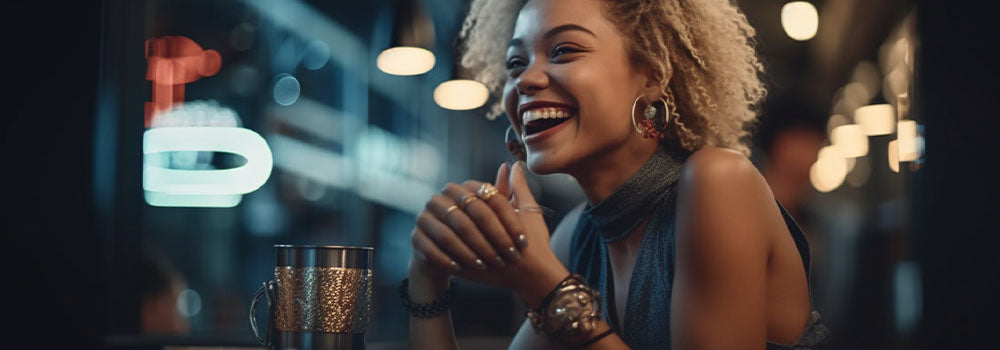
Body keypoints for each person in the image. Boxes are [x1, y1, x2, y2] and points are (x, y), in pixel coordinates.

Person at [401, 0, 830, 348]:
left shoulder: (719, 182)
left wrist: (549, 289)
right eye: (515, 63)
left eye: (564, 50)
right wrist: (427, 281)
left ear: (652, 73)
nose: (526, 79)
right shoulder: (578, 236)